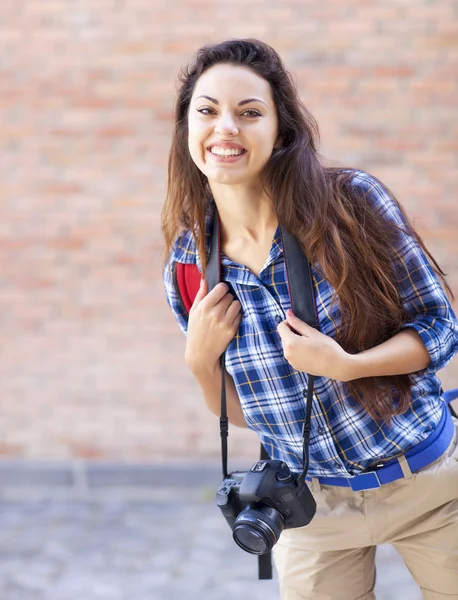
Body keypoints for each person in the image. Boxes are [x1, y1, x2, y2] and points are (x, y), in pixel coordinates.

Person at [161, 38, 458, 600]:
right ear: (186, 130)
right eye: (207, 111)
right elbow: (250, 413)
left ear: (281, 130)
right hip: (311, 510)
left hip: (431, 484)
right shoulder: (188, 265)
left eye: (249, 112)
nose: (226, 127)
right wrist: (200, 361)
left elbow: (440, 327)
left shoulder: (352, 205)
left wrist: (349, 365)